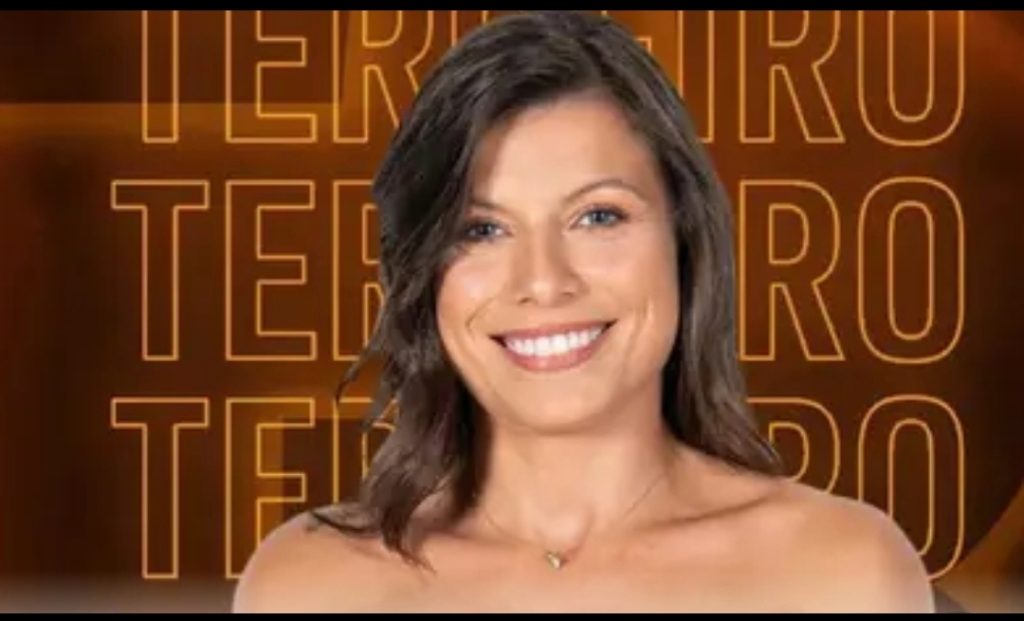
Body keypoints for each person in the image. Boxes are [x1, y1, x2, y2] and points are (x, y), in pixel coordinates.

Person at [232, 10, 934, 613]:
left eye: (598, 216)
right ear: (423, 275)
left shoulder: (841, 573)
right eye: (481, 229)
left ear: (684, 239)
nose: (544, 281)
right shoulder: (310, 585)